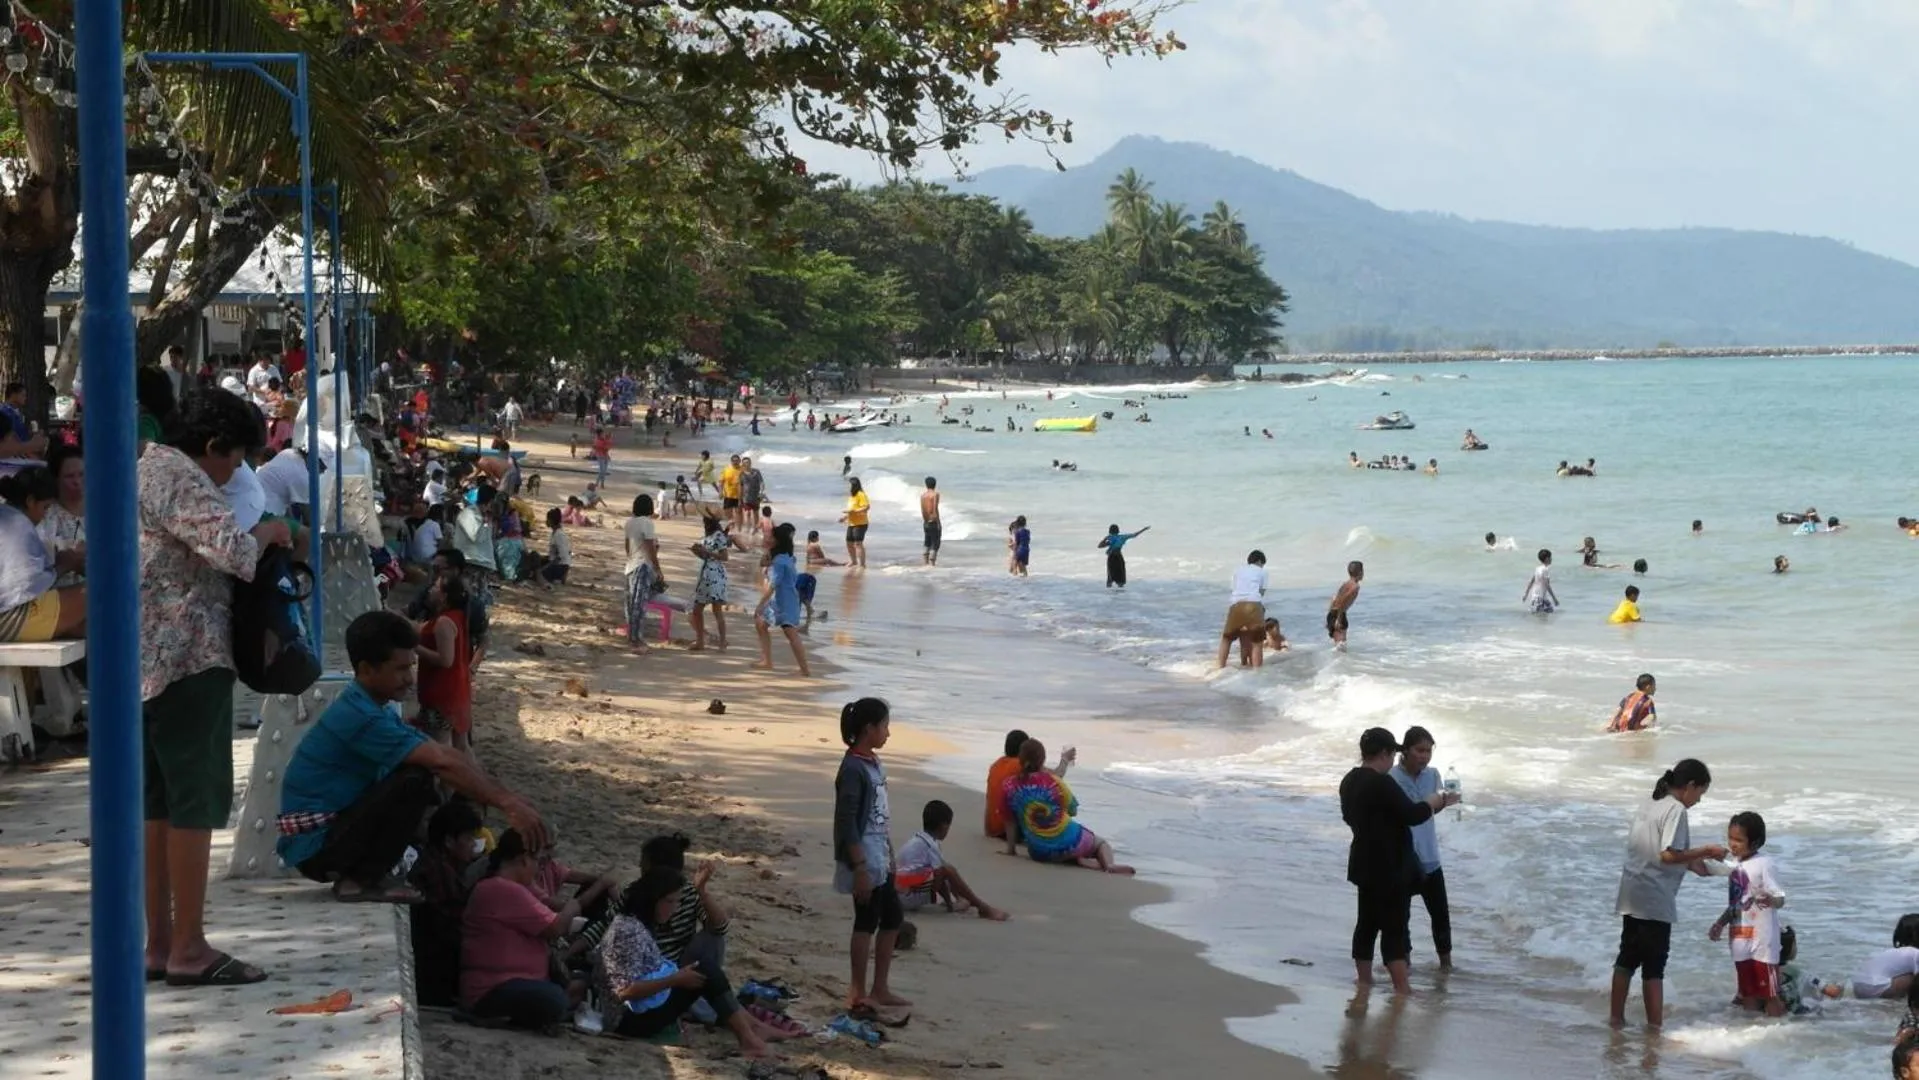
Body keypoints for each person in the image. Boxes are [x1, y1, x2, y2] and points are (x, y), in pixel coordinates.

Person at [138, 391, 290, 987]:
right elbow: (234, 551)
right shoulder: (182, 475)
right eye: (234, 460)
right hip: (188, 656)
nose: (233, 474)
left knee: (156, 804)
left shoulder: (142, 467)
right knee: (194, 802)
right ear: (211, 447)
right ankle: (190, 946)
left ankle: (159, 942)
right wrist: (273, 531)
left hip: (142, 659)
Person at [278, 611, 547, 904]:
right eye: (400, 669)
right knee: (417, 780)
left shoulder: (371, 706)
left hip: (331, 834)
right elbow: (440, 761)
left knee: (425, 775)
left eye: (412, 666)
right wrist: (507, 803)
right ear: (367, 669)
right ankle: (358, 881)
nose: (410, 679)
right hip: (317, 848)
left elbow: (445, 753)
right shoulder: (362, 717)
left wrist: (510, 799)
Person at [595, 869, 779, 1056]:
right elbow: (622, 991)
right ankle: (749, 1036)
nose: (675, 908)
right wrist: (675, 980)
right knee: (705, 970)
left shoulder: (638, 924)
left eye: (677, 902)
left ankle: (749, 1032)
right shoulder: (627, 932)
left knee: (704, 970)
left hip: (643, 1005)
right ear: (652, 900)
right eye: (670, 901)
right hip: (627, 1020)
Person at [1609, 758, 1727, 1029]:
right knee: (1654, 966)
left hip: (1632, 891)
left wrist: (1717, 868)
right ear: (1690, 786)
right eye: (1700, 793)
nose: (1698, 801)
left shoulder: (1650, 804)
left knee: (1627, 958)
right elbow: (1668, 854)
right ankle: (1654, 1028)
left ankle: (1615, 1019)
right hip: (1654, 897)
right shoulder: (1675, 810)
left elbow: (1672, 856)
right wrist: (1707, 850)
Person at [1342, 727, 1456, 994]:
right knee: (1394, 929)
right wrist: (1430, 802)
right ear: (1384, 753)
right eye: (1392, 753)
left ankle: (1364, 980)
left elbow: (1350, 817)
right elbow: (1412, 815)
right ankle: (1402, 988)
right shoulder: (1382, 782)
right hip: (1389, 867)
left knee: (1366, 924)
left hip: (1362, 861)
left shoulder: (1350, 780)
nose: (1393, 758)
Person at [460, 828, 585, 1030]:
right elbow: (555, 927)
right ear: (524, 859)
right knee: (553, 1000)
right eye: (538, 861)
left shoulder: (514, 886)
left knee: (573, 984)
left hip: (516, 981)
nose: (539, 868)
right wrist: (573, 906)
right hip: (492, 988)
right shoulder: (501, 888)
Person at [834, 698, 911, 1011]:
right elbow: (846, 821)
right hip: (863, 856)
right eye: (884, 726)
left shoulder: (873, 763)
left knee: (892, 916)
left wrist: (889, 850)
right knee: (866, 919)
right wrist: (860, 867)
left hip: (880, 853)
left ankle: (880, 988)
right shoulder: (853, 768)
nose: (888, 733)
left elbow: (879, 813)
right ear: (869, 728)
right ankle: (857, 991)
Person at [999, 736, 1132, 873]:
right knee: (1100, 843)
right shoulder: (1054, 782)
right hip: (1068, 843)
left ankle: (1077, 859)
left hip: (1039, 852)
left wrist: (1011, 850)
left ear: (1019, 760)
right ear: (1043, 760)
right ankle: (1107, 865)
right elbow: (1072, 810)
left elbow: (1009, 820)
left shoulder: (1008, 786)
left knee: (1057, 845)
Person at [1707, 811, 1787, 1016]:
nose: (1732, 844)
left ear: (1756, 842)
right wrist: (1720, 923)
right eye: (1730, 838)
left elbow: (1780, 896)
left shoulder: (1764, 863)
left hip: (1762, 938)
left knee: (1769, 993)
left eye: (1739, 840)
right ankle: (1752, 1029)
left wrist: (1772, 900)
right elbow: (1736, 902)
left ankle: (1780, 1032)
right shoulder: (1735, 866)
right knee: (1747, 992)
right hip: (1739, 935)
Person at [1389, 727, 1453, 970]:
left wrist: (1446, 802)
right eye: (1420, 750)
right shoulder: (1392, 778)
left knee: (1440, 916)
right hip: (1402, 858)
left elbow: (1433, 808)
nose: (1424, 756)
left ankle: (1446, 967)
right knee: (1401, 918)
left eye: (1428, 751)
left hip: (1430, 856)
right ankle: (1404, 965)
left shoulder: (1433, 775)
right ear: (1406, 750)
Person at [0, 467, 85, 641]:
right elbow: (27, 589)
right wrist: (65, 564)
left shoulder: (5, 515)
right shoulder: (19, 524)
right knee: (104, 590)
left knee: (80, 626)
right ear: (31, 501)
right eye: (45, 508)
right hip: (9, 619)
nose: (44, 516)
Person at [896, 800, 1009, 920]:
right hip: (905, 896)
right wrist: (949, 904)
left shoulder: (920, 839)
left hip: (902, 890)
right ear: (943, 827)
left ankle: (961, 899)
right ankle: (983, 908)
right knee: (946, 869)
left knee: (943, 867)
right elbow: (941, 875)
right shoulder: (930, 846)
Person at [414, 574, 474, 754]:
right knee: (462, 746)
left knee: (440, 750)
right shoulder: (457, 617)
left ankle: (451, 782)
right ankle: (473, 780)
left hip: (442, 694)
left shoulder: (443, 622)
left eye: (435, 587)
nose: (431, 590)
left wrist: (414, 646)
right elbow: (418, 627)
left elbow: (446, 660)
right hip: (457, 690)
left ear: (444, 596)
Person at [984, 729, 1074, 839]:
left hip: (992, 829)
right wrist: (1065, 759)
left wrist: (988, 829)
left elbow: (989, 800)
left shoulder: (995, 766)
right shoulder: (1021, 765)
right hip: (1011, 830)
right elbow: (1056, 776)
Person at [753, 523, 811, 676]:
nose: (769, 538)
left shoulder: (779, 561)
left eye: (772, 537)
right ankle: (767, 661)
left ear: (777, 540)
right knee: (761, 624)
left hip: (784, 602)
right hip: (785, 600)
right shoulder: (787, 557)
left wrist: (760, 605)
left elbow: (773, 585)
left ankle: (804, 669)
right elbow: (766, 564)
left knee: (790, 633)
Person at [36, 442, 84, 588]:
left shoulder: (105, 511)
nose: (77, 481)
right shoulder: (46, 516)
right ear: (56, 479)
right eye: (69, 476)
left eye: (82, 474)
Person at [689, 515, 739, 651]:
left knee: (716, 610)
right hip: (705, 574)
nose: (705, 526)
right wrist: (698, 552)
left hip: (716, 575)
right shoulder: (707, 537)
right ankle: (700, 641)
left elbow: (724, 557)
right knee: (697, 609)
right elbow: (706, 555)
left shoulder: (719, 536)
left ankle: (722, 642)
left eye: (706, 523)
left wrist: (708, 552)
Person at [622, 495, 664, 653]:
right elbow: (650, 548)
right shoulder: (647, 523)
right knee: (640, 604)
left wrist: (632, 557)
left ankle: (632, 636)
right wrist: (658, 568)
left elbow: (627, 547)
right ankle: (637, 640)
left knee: (631, 603)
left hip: (631, 565)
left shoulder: (629, 523)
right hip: (643, 566)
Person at [1217, 550, 1269, 668]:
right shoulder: (1263, 572)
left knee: (1226, 639)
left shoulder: (1237, 570)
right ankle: (1256, 672)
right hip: (1253, 605)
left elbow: (1234, 589)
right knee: (1257, 642)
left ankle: (1220, 667)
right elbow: (1261, 592)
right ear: (1260, 561)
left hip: (1236, 605)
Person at [1850, 916, 1919, 999]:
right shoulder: (1915, 953)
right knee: (1914, 978)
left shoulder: (1889, 952)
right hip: (1875, 988)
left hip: (1858, 987)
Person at [1099, 523, 1149, 589]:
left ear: (1110, 531)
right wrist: (1144, 529)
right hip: (1119, 557)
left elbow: (1100, 546)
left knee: (1110, 574)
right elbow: (1134, 535)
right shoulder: (1122, 537)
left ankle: (1109, 592)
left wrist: (1105, 539)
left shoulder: (1109, 538)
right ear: (1118, 531)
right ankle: (1121, 592)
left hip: (1111, 557)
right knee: (1121, 574)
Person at [1329, 560, 1364, 650]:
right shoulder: (1355, 586)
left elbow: (1334, 598)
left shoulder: (1346, 583)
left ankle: (1334, 662)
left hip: (1332, 613)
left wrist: (1329, 617)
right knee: (1341, 646)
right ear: (1360, 572)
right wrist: (1339, 619)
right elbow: (1343, 602)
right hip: (1339, 614)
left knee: (1338, 646)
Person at [841, 477, 871, 568]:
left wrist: (855, 511)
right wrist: (845, 517)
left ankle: (862, 564)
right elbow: (851, 510)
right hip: (851, 523)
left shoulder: (861, 494)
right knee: (849, 543)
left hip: (861, 523)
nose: (848, 486)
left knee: (858, 543)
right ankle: (854, 561)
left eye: (849, 484)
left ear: (854, 485)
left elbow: (866, 507)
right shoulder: (852, 496)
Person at [540, 506, 571, 588]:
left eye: (547, 519)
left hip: (561, 565)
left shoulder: (559, 535)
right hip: (557, 562)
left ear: (551, 521)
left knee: (539, 573)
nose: (546, 521)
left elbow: (562, 556)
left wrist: (547, 566)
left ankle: (550, 584)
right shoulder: (555, 533)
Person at [1522, 549, 1558, 614]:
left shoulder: (1538, 568)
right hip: (1540, 599)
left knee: (1542, 617)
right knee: (1545, 616)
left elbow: (1531, 581)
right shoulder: (1545, 569)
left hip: (1537, 598)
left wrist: (1526, 594)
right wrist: (1554, 598)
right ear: (1547, 559)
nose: (1551, 559)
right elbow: (1547, 585)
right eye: (1550, 557)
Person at [920, 476, 941, 566]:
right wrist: (938, 522)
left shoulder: (923, 496)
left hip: (926, 521)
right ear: (935, 485)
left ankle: (925, 563)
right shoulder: (935, 495)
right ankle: (932, 563)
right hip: (933, 520)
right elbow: (934, 508)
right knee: (935, 542)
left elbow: (923, 509)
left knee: (927, 542)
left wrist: (925, 520)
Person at [738, 455, 765, 520]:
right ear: (743, 464)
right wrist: (740, 499)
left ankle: (755, 528)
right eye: (745, 463)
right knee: (747, 513)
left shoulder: (756, 472)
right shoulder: (741, 474)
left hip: (756, 496)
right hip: (746, 497)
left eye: (748, 462)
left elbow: (761, 482)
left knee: (756, 513)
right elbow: (741, 486)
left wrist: (761, 493)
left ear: (750, 463)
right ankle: (748, 528)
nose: (747, 464)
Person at [719, 454, 742, 524]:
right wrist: (720, 492)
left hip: (740, 495)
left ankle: (738, 527)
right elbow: (721, 482)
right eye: (734, 461)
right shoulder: (726, 470)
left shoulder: (743, 469)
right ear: (731, 461)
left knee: (738, 511)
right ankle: (731, 522)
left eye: (737, 460)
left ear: (740, 461)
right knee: (727, 510)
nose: (735, 462)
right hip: (728, 494)